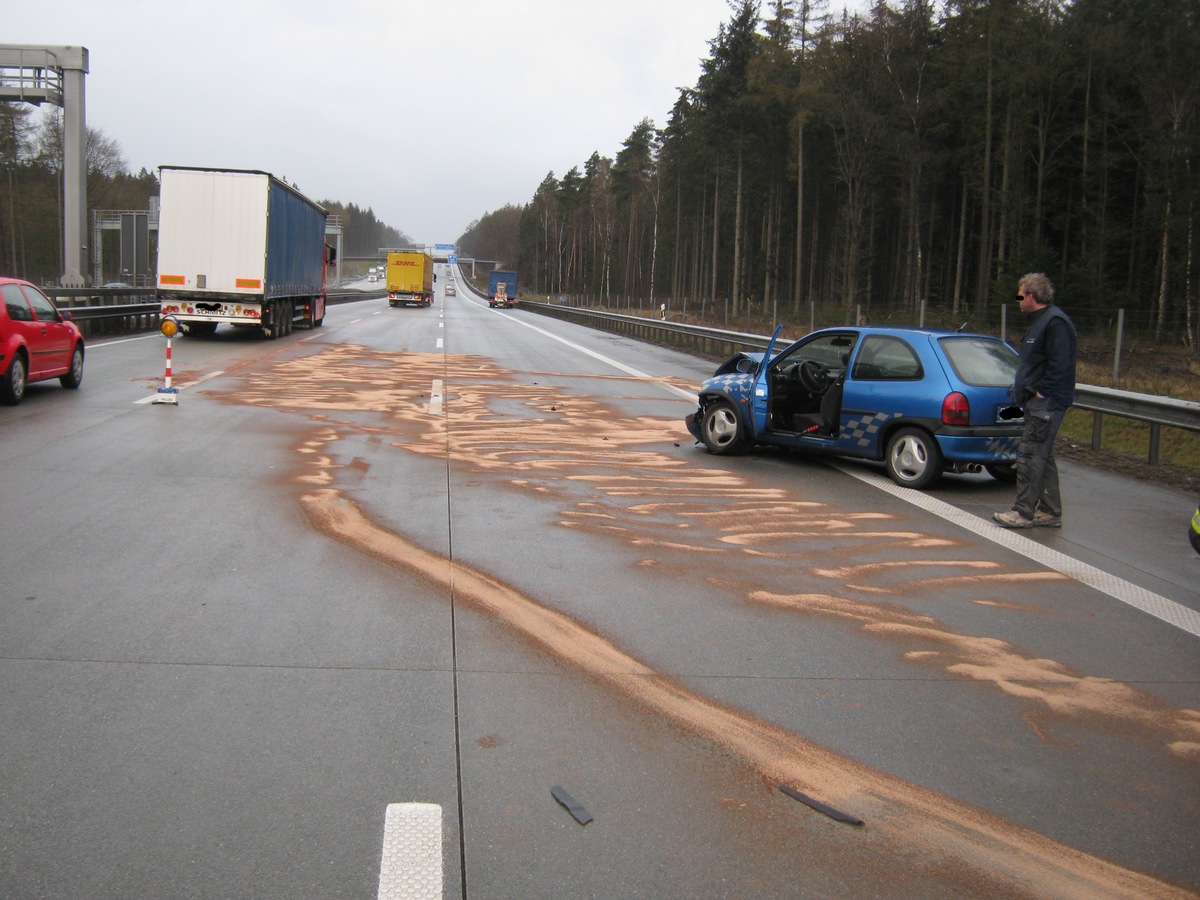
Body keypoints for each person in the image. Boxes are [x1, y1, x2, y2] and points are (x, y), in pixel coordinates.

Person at [994, 273, 1077, 529]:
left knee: (1030, 455)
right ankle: (1050, 511)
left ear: (1031, 295)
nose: (1018, 300)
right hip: (1037, 401)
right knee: (1044, 456)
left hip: (1047, 403)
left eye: (1020, 295)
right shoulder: (1040, 322)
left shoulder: (1055, 323)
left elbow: (1060, 364)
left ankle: (1022, 512)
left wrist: (1042, 392)